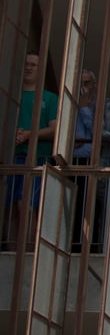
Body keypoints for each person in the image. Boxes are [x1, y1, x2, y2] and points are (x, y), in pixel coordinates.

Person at [7, 52, 58, 245]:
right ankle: (11, 252)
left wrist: (30, 134)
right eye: (26, 64)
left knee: (26, 205)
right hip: (11, 157)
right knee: (9, 207)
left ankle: (27, 254)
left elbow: (55, 129)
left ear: (41, 70)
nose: (28, 68)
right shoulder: (12, 95)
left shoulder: (50, 98)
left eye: (33, 65)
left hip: (37, 157)